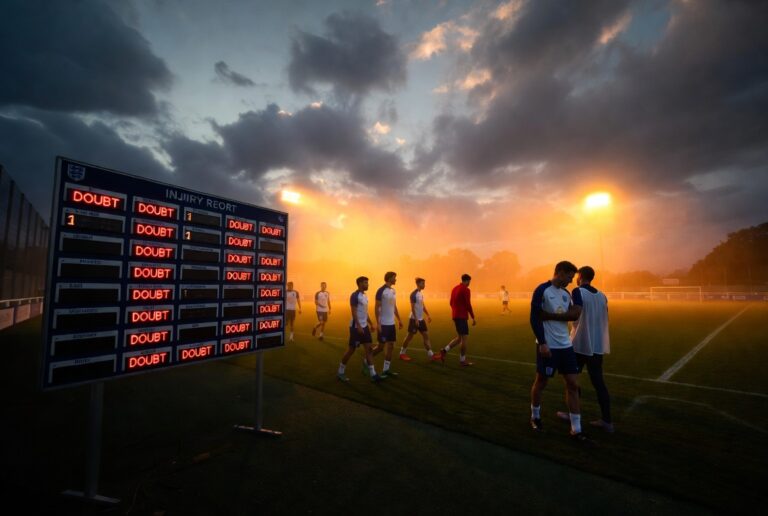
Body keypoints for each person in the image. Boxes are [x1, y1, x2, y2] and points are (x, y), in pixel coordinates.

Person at [529, 261, 593, 444]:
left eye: (573, 278)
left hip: (566, 346)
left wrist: (550, 316)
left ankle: (576, 429)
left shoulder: (566, 294)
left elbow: (573, 314)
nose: (571, 281)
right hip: (548, 345)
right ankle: (535, 417)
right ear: (559, 272)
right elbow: (534, 318)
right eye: (569, 277)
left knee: (573, 384)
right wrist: (542, 343)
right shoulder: (542, 290)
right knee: (541, 382)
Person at [551, 266, 613, 432]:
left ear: (580, 276)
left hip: (579, 344)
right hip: (596, 345)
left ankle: (572, 414)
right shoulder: (602, 296)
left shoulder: (578, 292)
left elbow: (574, 314)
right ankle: (607, 421)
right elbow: (603, 317)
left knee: (570, 379)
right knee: (598, 382)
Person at [337, 276, 383, 383]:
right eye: (365, 283)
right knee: (351, 350)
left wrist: (371, 324)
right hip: (355, 327)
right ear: (360, 284)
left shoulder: (364, 296)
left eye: (367, 282)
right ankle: (340, 371)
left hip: (365, 327)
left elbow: (365, 312)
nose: (367, 284)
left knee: (369, 350)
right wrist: (358, 326)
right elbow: (353, 312)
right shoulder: (354, 296)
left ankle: (373, 374)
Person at [368, 271, 403, 378]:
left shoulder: (393, 291)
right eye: (394, 277)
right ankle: (366, 360)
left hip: (391, 323)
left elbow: (394, 306)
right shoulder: (381, 291)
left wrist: (399, 319)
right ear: (389, 278)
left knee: (391, 345)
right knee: (380, 347)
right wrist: (378, 323)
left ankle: (386, 369)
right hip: (383, 323)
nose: (396, 279)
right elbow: (376, 307)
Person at [399, 277, 441, 362]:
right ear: (418, 284)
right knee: (409, 337)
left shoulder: (420, 294)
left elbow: (422, 305)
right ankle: (402, 353)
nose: (424, 285)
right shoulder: (413, 294)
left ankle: (431, 355)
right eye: (422, 283)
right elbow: (412, 307)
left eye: (424, 283)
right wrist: (416, 319)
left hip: (421, 319)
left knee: (426, 335)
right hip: (414, 319)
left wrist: (428, 315)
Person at [438, 273, 476, 366]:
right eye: (469, 281)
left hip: (455, 316)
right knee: (464, 339)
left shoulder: (454, 288)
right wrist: (473, 317)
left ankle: (444, 350)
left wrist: (456, 311)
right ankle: (462, 360)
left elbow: (451, 302)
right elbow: (468, 304)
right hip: (462, 317)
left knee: (459, 338)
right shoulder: (466, 290)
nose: (469, 283)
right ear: (467, 281)